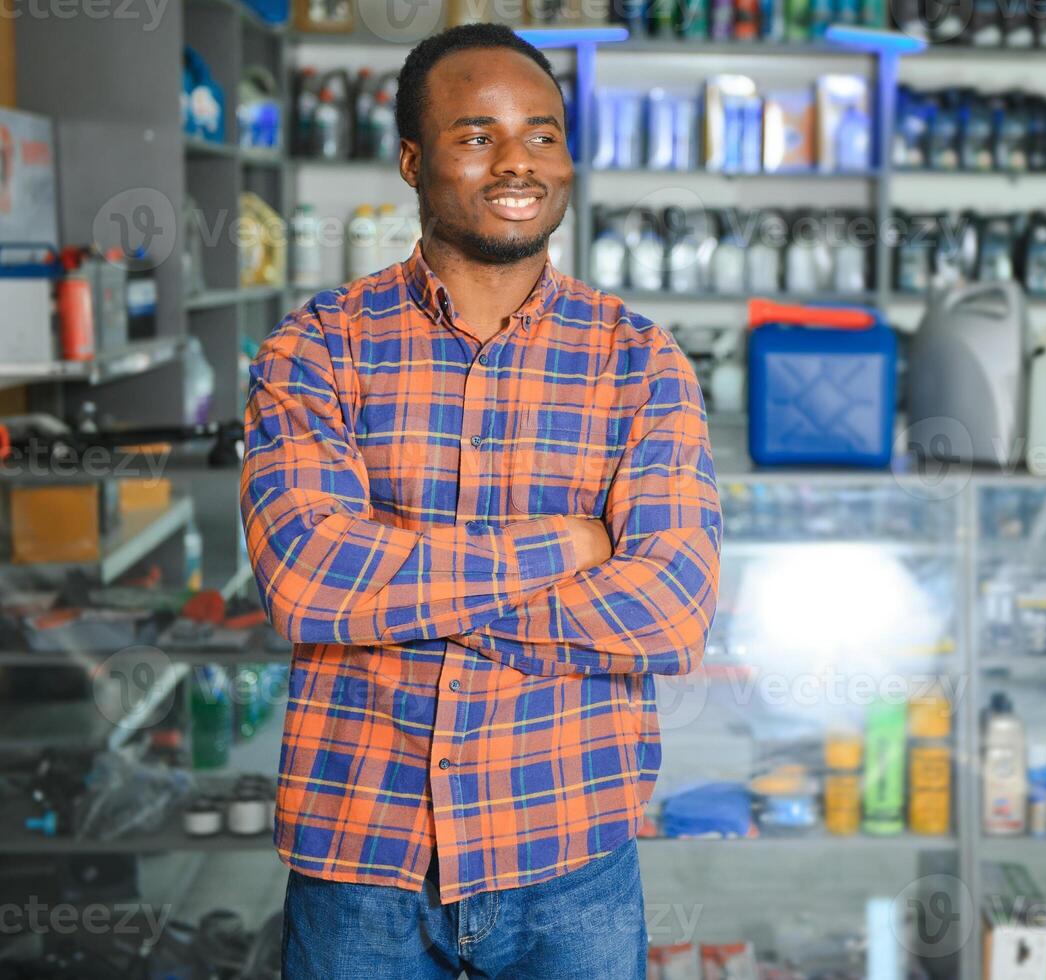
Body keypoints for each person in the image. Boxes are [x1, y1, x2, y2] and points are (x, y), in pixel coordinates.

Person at [239, 23, 722, 979]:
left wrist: (402, 598)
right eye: (476, 135)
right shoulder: (316, 349)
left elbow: (671, 611)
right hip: (360, 861)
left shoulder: (639, 358)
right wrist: (568, 545)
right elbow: (306, 583)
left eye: (542, 135)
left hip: (570, 853)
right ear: (414, 162)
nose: (518, 163)